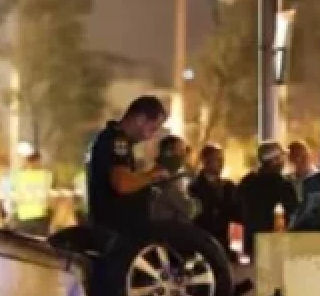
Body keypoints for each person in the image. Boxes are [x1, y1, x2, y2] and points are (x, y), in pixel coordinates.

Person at [83, 96, 169, 233]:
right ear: (140, 119)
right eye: (153, 128)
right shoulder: (118, 141)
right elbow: (122, 183)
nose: (152, 135)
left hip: (111, 225)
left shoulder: (116, 139)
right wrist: (152, 175)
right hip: (115, 228)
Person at [238, 141, 300, 259]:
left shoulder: (246, 182)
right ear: (274, 161)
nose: (283, 161)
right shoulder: (283, 185)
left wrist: (238, 249)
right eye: (281, 157)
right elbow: (293, 215)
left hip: (250, 246)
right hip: (275, 247)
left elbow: (237, 215)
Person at [190, 143, 242, 260]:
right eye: (216, 159)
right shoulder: (193, 187)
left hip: (224, 247)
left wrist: (236, 248)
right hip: (202, 246)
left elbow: (236, 219)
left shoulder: (229, 187)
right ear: (205, 161)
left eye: (221, 159)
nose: (220, 163)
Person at [3, 150, 54, 237]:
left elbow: (9, 195)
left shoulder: (16, 175)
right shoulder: (47, 175)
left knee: (24, 245)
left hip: (24, 218)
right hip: (40, 217)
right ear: (39, 161)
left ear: (27, 161)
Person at [148, 135, 198, 222]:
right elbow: (189, 209)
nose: (184, 156)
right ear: (168, 152)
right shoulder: (162, 178)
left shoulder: (172, 176)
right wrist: (197, 203)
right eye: (181, 151)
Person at [288, 141, 320, 232]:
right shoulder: (288, 180)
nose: (303, 159)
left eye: (305, 155)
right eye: (297, 156)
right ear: (290, 159)